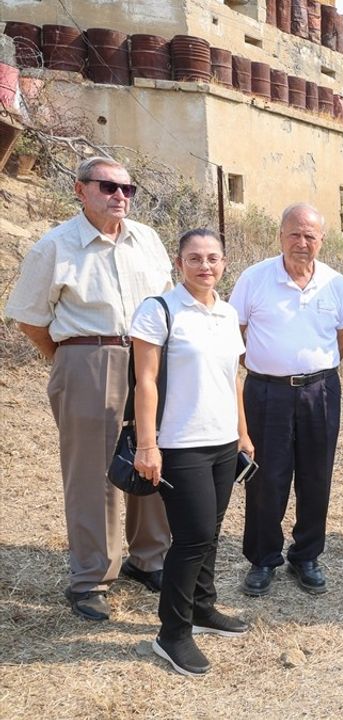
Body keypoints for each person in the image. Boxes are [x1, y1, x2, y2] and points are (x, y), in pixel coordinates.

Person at [5, 156, 171, 621]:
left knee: (151, 454)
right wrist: (71, 360)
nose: (120, 196)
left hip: (147, 358)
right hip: (87, 358)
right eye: (108, 186)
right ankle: (92, 577)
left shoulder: (148, 241)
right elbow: (30, 319)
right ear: (80, 191)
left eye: (127, 189)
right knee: (92, 473)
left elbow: (164, 302)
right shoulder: (55, 247)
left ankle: (150, 558)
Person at [130, 228, 254, 676]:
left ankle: (203, 608)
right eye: (195, 258)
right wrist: (148, 443)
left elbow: (233, 379)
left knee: (210, 531)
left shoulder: (226, 312)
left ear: (224, 264)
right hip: (180, 444)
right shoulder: (159, 310)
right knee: (192, 537)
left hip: (222, 442)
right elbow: (145, 381)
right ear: (179, 264)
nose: (205, 266)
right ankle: (172, 634)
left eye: (214, 258)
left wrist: (242, 434)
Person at [229, 203, 343, 596]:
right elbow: (236, 333)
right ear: (280, 235)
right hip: (266, 391)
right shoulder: (254, 278)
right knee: (267, 477)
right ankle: (263, 558)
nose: (302, 243)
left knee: (316, 475)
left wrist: (312, 369)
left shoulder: (336, 282)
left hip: (320, 391)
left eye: (310, 236)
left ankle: (307, 556)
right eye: (294, 234)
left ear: (321, 239)